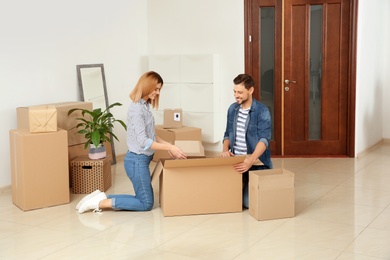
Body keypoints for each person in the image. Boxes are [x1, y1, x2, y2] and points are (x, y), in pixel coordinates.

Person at [77, 71, 187, 214]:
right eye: (156, 89)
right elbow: (143, 141)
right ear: (147, 86)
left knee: (142, 198)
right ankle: (100, 202)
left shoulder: (144, 106)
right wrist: (169, 147)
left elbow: (152, 135)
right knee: (146, 203)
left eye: (159, 89)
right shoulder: (136, 110)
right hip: (137, 161)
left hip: (141, 160)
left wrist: (171, 147)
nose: (158, 93)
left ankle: (100, 197)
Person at [220, 73, 272, 208]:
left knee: (247, 203)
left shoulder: (262, 111)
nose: (236, 95)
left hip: (256, 163)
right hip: (236, 161)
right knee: (226, 199)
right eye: (234, 91)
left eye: (240, 92)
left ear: (250, 90)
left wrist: (250, 161)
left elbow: (264, 140)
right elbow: (227, 134)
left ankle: (249, 184)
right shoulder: (233, 109)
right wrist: (225, 150)